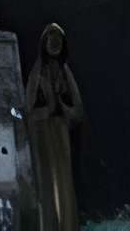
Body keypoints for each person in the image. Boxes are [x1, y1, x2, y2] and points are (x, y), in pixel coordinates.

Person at [24, 21, 82, 231]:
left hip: (60, 131)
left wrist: (63, 109)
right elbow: (29, 109)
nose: (54, 43)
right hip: (42, 133)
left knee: (64, 184)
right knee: (47, 186)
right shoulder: (37, 72)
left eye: (58, 39)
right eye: (51, 39)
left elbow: (77, 110)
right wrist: (47, 108)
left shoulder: (65, 71)